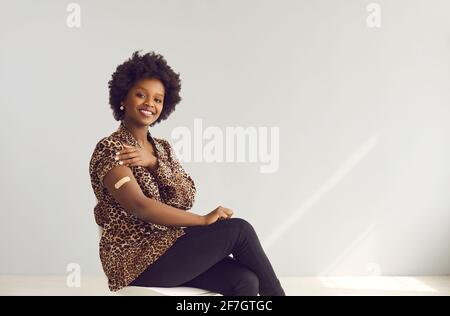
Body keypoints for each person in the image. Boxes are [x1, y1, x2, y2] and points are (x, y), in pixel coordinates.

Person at [89, 51, 285, 296]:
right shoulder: (111, 149)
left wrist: (154, 164)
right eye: (141, 95)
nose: (150, 103)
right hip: (135, 260)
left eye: (158, 99)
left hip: (170, 247)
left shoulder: (162, 149)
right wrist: (202, 220)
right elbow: (139, 207)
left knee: (245, 280)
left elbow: (184, 198)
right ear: (123, 98)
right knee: (239, 230)